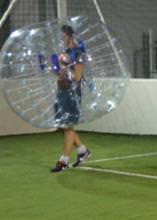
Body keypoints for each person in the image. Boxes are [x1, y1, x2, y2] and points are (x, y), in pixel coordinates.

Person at [51, 25, 91, 172]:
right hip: (61, 92)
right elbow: (62, 75)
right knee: (65, 126)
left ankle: (64, 161)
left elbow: (78, 77)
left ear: (69, 36)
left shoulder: (78, 53)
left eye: (63, 36)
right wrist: (54, 68)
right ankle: (82, 150)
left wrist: (64, 68)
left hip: (71, 94)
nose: (61, 39)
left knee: (68, 127)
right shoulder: (65, 53)